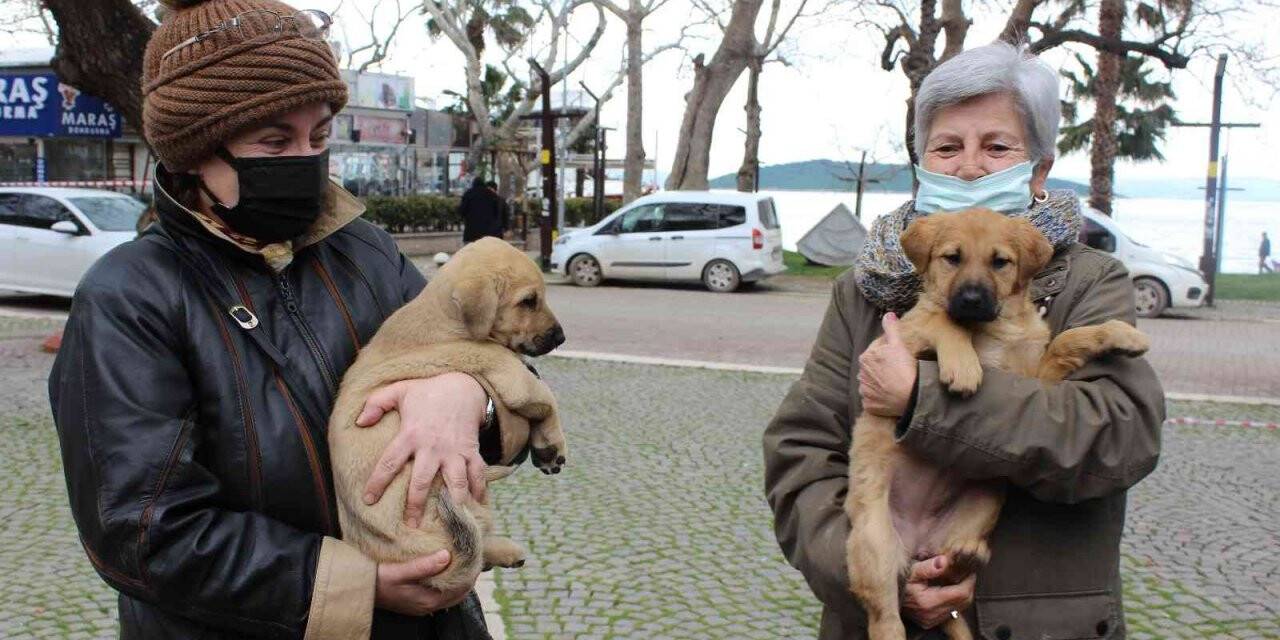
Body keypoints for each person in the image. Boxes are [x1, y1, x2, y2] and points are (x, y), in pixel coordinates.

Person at [48, 1, 507, 637]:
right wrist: (356, 588)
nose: (306, 160)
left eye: (318, 137)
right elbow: (141, 530)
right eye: (273, 141)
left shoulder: (366, 250)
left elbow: (494, 365)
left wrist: (471, 396)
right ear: (194, 153)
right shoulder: (129, 297)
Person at [764, 42, 1165, 639]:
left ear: (1039, 170)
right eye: (947, 147)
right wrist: (881, 574)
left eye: (997, 146)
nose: (970, 166)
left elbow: (1117, 437)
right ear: (921, 163)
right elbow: (801, 452)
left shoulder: (1090, 281)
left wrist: (922, 400)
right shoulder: (864, 289)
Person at [460, 177, 503, 242]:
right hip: (488, 230)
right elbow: (497, 212)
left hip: (471, 230)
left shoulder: (468, 194)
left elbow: (462, 210)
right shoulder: (491, 194)